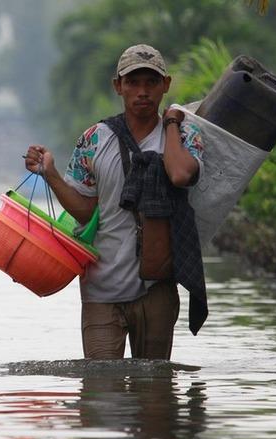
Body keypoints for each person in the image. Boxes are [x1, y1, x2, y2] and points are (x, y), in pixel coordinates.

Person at [23, 44, 208, 360]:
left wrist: (173, 121)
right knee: (100, 396)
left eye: (151, 82)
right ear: (118, 86)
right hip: (101, 290)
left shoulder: (184, 135)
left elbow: (179, 174)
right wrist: (50, 174)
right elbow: (87, 211)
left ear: (166, 85)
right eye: (133, 82)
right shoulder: (95, 139)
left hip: (156, 290)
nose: (142, 92)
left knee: (154, 395)